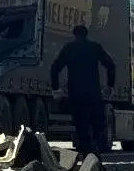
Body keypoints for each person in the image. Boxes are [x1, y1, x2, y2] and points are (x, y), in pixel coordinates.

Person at [50, 24, 116, 156]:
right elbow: (110, 65)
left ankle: (83, 148)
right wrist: (110, 85)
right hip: (93, 91)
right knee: (96, 121)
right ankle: (96, 148)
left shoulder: (69, 48)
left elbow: (55, 68)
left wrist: (56, 88)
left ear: (74, 34)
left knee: (80, 122)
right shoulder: (94, 47)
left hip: (76, 92)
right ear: (86, 34)